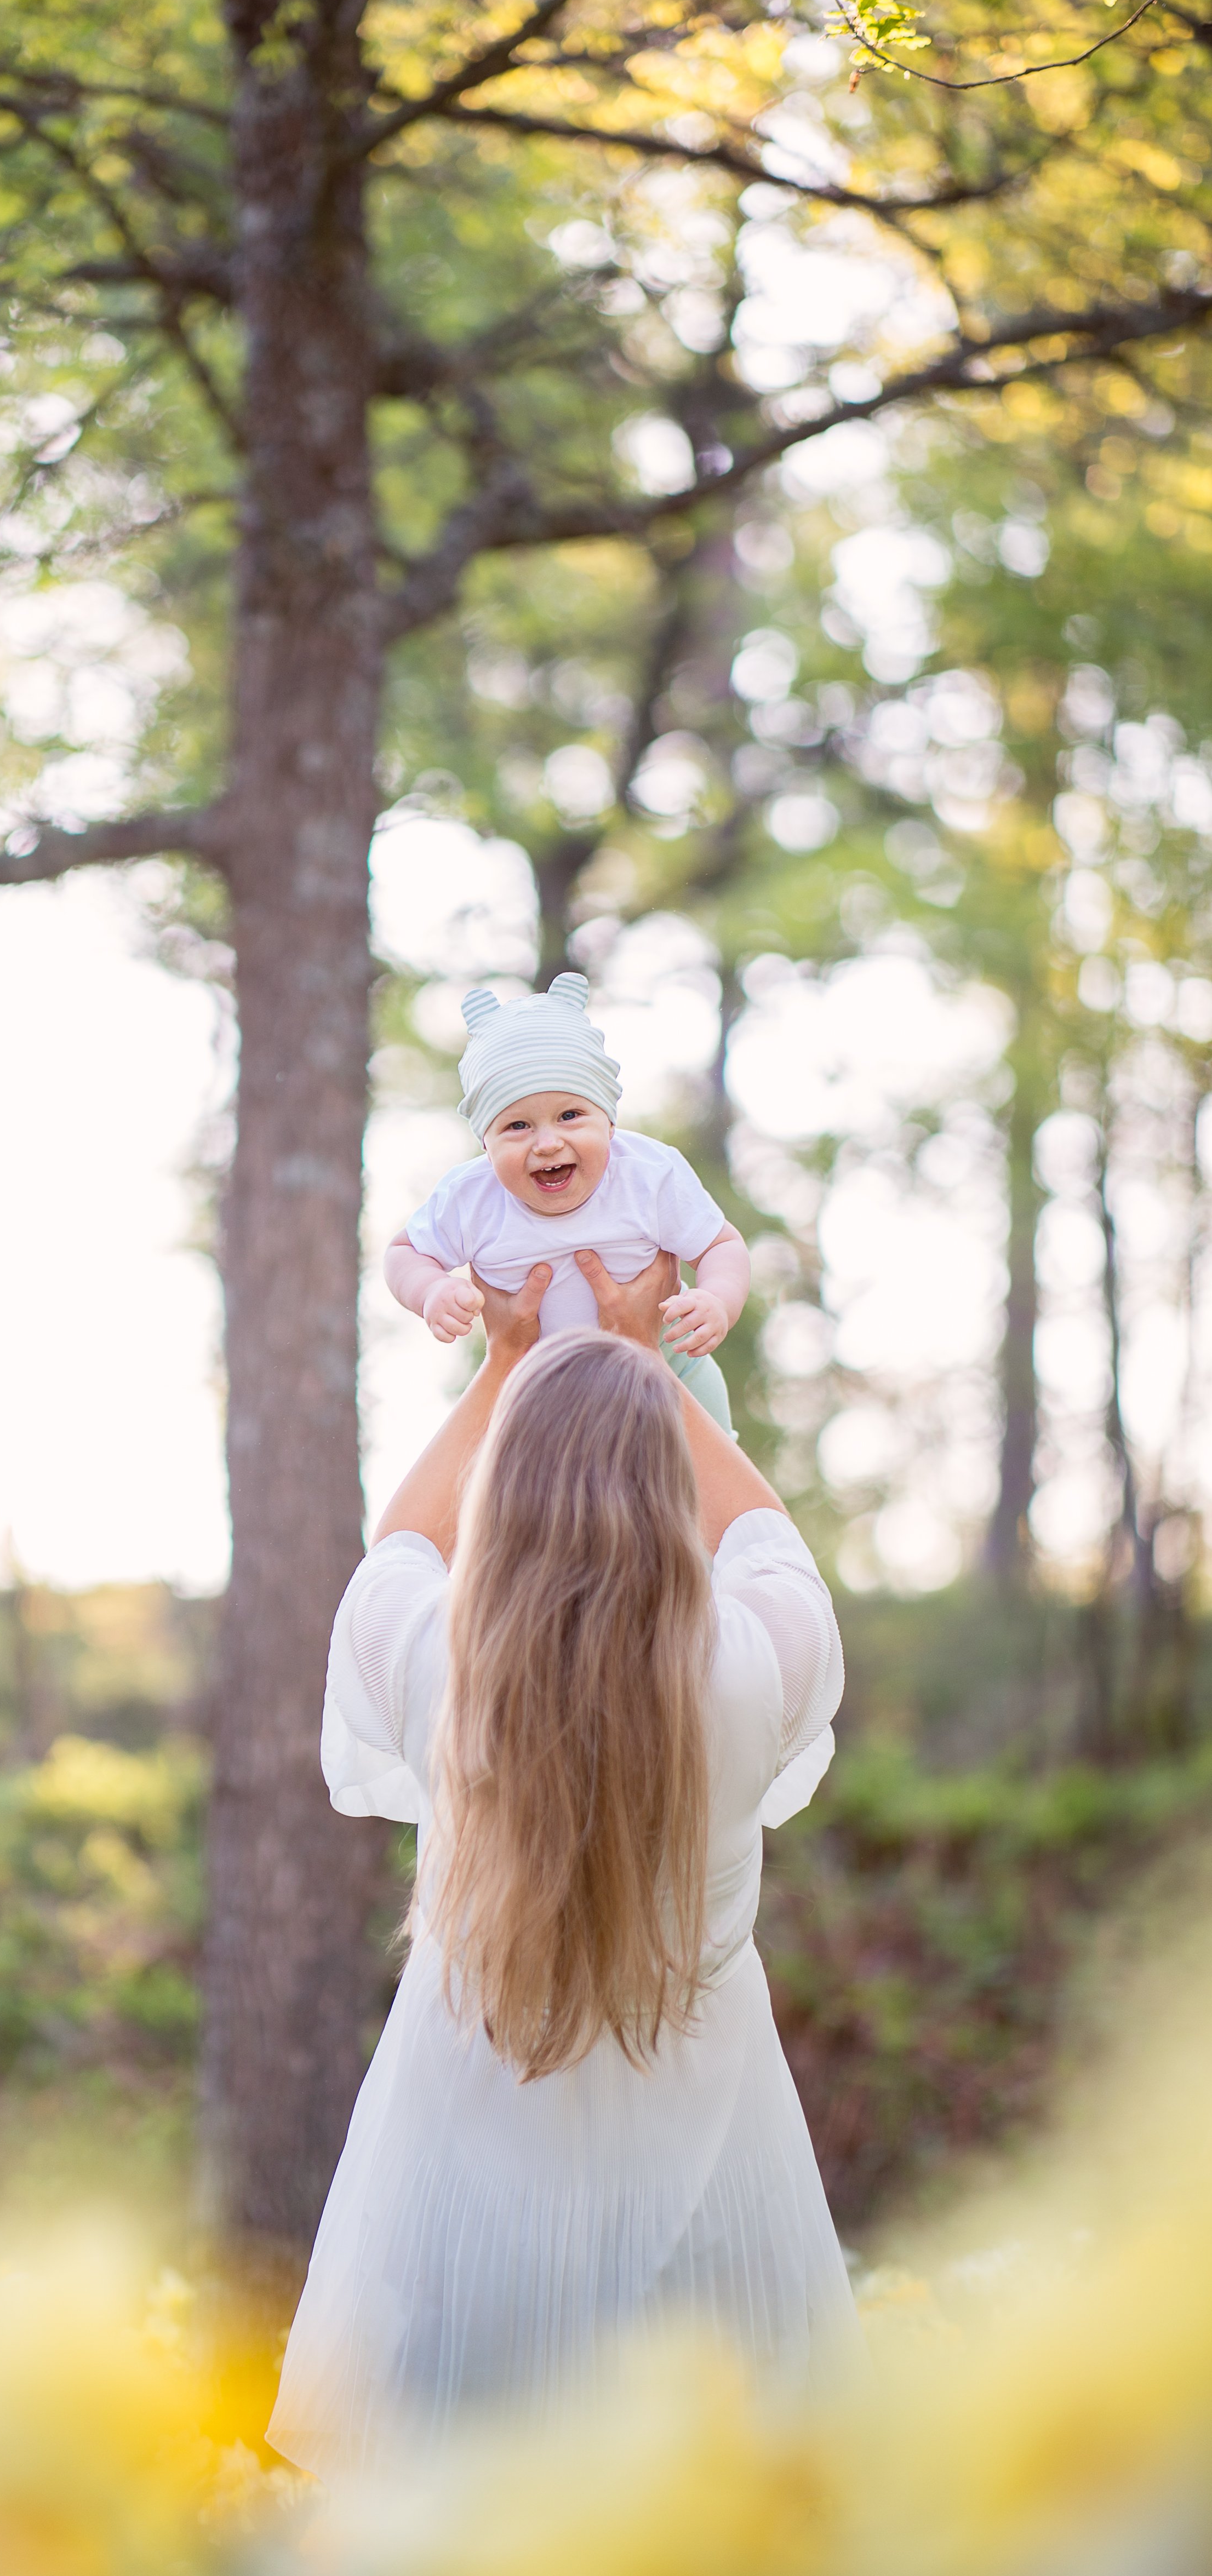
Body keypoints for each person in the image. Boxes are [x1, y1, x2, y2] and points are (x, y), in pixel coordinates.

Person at [267, 1250, 857, 2479]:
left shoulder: (442, 1669)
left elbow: (393, 1555)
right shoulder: (746, 1666)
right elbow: (769, 1542)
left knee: (457, 2559)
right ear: (659, 1493)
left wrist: (499, 1370)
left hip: (462, 2187)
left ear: (504, 1491)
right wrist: (648, 1369)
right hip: (710, 2175)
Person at [383, 971, 750, 1432]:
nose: (548, 1143)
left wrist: (717, 1299)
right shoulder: (471, 1198)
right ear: (485, 1144)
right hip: (538, 1388)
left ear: (610, 1124)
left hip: (671, 1367)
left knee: (713, 1490)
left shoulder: (648, 1175)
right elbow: (403, 1253)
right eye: (517, 1126)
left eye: (571, 1115)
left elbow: (721, 1245)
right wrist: (431, 1290)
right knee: (506, 1480)